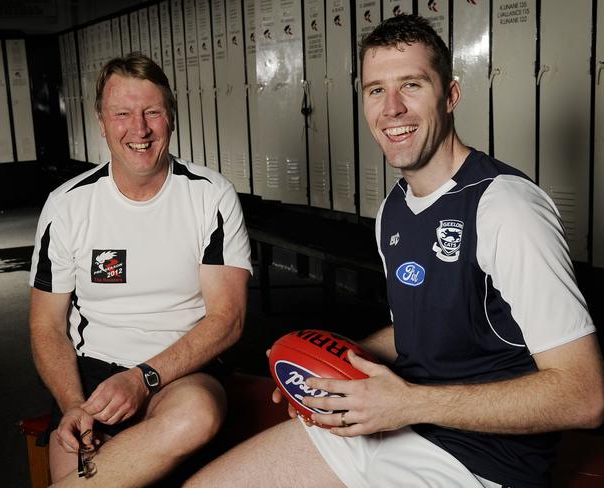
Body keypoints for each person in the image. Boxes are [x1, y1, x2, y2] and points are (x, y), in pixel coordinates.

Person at [184, 15, 604, 488]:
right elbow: (420, 329)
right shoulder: (394, 210)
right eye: (375, 90)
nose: (393, 108)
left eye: (411, 84)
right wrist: (333, 365)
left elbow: (583, 395)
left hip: (478, 465)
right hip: (391, 426)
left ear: (451, 95)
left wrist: (407, 404)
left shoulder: (505, 207)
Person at [29, 53, 251, 487]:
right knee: (77, 452)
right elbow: (46, 326)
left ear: (170, 117)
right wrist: (73, 403)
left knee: (197, 415)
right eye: (123, 114)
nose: (140, 129)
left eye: (152, 112)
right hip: (91, 378)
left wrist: (144, 378)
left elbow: (229, 319)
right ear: (102, 121)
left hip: (181, 370)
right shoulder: (68, 205)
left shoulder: (210, 196)